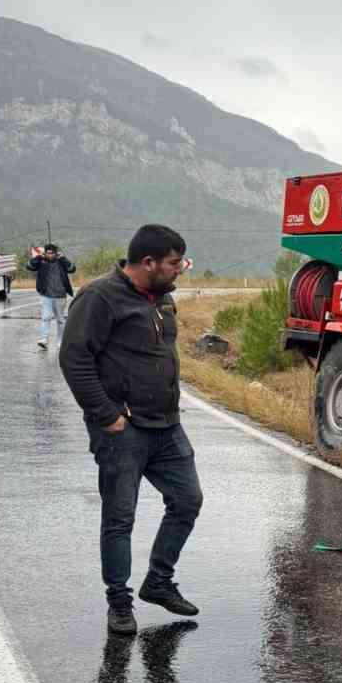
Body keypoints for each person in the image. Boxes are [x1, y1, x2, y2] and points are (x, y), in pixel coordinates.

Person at [59, 225, 202, 637]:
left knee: (187, 500)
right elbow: (75, 359)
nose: (180, 271)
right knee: (120, 518)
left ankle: (158, 581)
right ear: (148, 263)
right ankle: (119, 603)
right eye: (175, 263)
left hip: (167, 427)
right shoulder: (99, 297)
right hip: (122, 429)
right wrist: (106, 414)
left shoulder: (162, 297)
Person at [28, 242, 76, 350]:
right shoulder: (41, 262)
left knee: (60, 320)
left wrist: (63, 259)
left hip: (60, 296)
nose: (50, 255)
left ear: (56, 253)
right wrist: (39, 257)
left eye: (52, 253)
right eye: (48, 253)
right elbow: (29, 266)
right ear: (45, 253)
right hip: (46, 296)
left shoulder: (61, 262)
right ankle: (44, 340)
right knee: (45, 318)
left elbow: (72, 269)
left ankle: (60, 341)